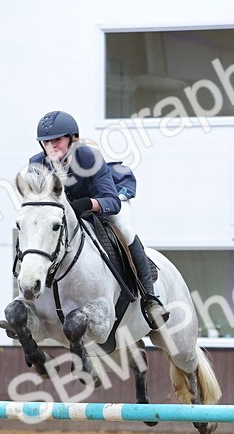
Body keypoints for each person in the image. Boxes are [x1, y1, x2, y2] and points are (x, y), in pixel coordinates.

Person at [28, 110, 168, 326]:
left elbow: (112, 202)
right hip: (65, 215)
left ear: (72, 139)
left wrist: (88, 204)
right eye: (46, 142)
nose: (51, 146)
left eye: (57, 140)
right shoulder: (37, 164)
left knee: (124, 227)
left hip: (104, 200)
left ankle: (149, 298)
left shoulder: (89, 157)